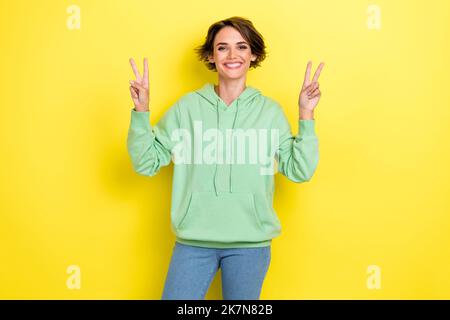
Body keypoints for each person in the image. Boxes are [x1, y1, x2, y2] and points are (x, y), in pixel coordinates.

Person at [127, 16, 324, 300]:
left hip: (250, 244)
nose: (232, 55)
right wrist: (142, 111)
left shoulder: (270, 112)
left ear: (253, 54)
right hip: (193, 242)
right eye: (222, 48)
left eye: (241, 47)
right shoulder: (186, 108)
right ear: (211, 55)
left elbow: (300, 170)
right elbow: (146, 162)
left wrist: (306, 113)